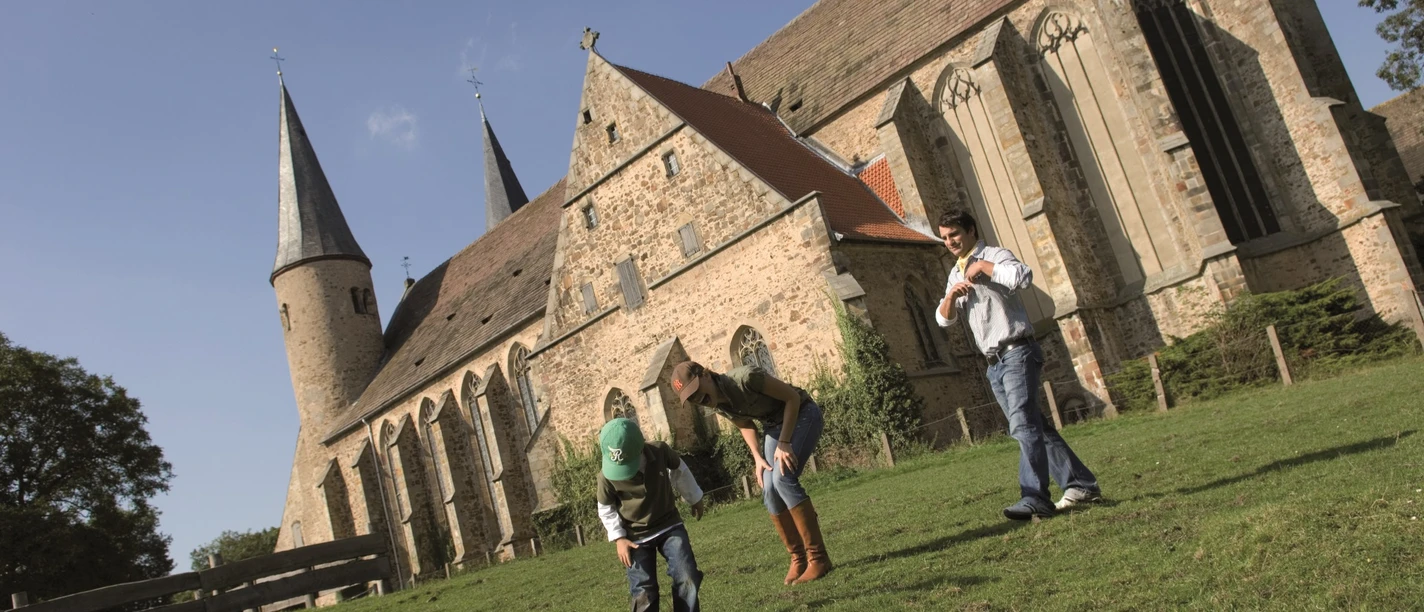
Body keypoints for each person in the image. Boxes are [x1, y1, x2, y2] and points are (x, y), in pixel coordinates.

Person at [933, 208, 1103, 520]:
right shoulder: (954, 274)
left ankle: (1035, 497)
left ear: (971, 230)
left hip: (1017, 351)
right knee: (1036, 426)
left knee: (1022, 425)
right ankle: (1081, 484)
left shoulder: (995, 254)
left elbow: (1023, 277)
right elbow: (943, 321)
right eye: (944, 237)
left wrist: (985, 267)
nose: (950, 241)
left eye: (954, 234)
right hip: (993, 364)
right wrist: (950, 297)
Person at [672, 360, 831, 584]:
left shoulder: (746, 378)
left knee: (783, 478)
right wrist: (757, 457)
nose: (697, 399)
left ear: (706, 375)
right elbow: (745, 423)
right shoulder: (717, 403)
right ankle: (798, 558)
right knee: (768, 487)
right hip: (772, 428)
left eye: (696, 390)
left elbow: (792, 399)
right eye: (690, 398)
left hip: (802, 414)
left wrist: (784, 442)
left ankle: (818, 558)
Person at [596, 418, 707, 612]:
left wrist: (695, 497)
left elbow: (680, 470)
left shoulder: (660, 451)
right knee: (643, 591)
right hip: (634, 538)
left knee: (687, 575)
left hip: (669, 525)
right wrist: (619, 538)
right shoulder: (606, 476)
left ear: (641, 449)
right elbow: (606, 508)